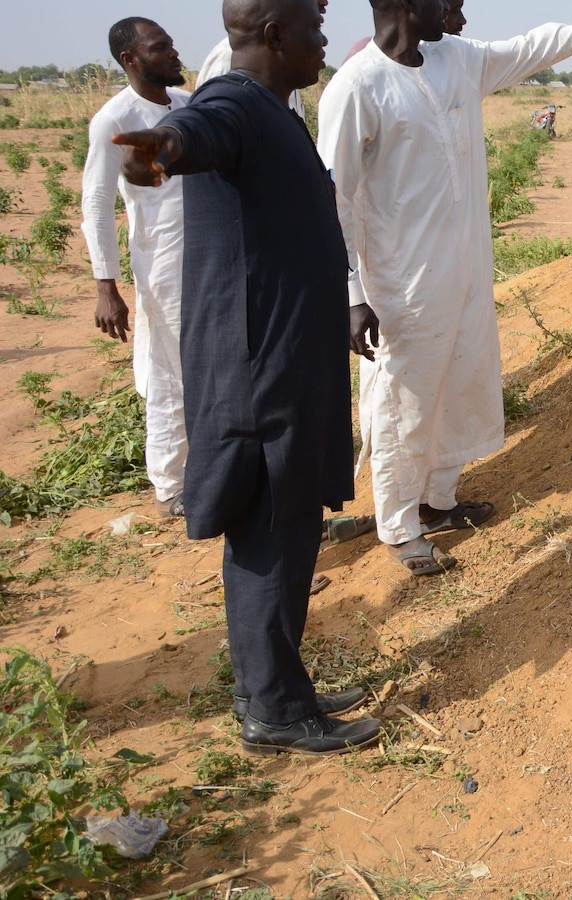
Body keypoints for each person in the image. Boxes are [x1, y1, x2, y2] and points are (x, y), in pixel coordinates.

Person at [114, 0, 377, 755]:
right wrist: (160, 145)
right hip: (260, 368)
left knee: (289, 528)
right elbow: (194, 134)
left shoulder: (273, 108)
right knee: (269, 531)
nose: (324, 41)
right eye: (315, 28)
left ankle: (275, 683)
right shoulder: (231, 101)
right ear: (274, 34)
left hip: (284, 359)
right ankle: (274, 711)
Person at [319, 0, 572, 577]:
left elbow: (531, 48)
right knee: (406, 399)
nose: (456, 12)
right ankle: (400, 526)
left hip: (466, 267)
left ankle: (439, 501)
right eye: (443, 1)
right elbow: (334, 203)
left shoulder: (456, 60)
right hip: (402, 283)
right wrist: (351, 294)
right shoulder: (356, 87)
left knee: (458, 382)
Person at [81, 17, 190, 519]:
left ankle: (204, 469)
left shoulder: (189, 108)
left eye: (170, 45)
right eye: (160, 47)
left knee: (204, 367)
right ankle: (171, 484)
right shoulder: (115, 117)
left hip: (209, 257)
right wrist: (107, 285)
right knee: (169, 371)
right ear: (130, 60)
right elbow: (98, 201)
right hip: (162, 261)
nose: (173, 54)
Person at [193, 0, 324, 120]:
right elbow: (208, 120)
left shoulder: (287, 66)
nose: (324, 2)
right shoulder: (229, 56)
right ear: (275, 36)